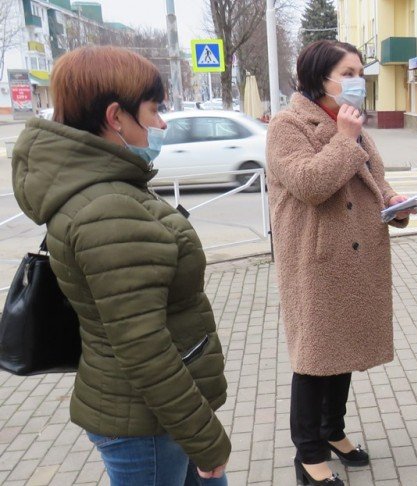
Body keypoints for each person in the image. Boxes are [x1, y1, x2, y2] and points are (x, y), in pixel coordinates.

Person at [11, 46, 230, 484]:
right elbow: (142, 346)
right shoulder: (109, 206)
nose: (163, 123)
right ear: (116, 117)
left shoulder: (110, 186)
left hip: (153, 414)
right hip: (146, 422)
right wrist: (204, 438)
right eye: (154, 109)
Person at [266, 40, 416, 486]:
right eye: (349, 73)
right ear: (319, 78)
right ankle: (308, 454)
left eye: (361, 72)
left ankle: (333, 431)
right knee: (314, 359)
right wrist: (345, 140)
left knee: (344, 352)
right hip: (316, 261)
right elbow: (310, 184)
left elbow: (377, 180)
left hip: (359, 258)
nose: (358, 82)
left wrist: (395, 202)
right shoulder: (287, 125)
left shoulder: (354, 126)